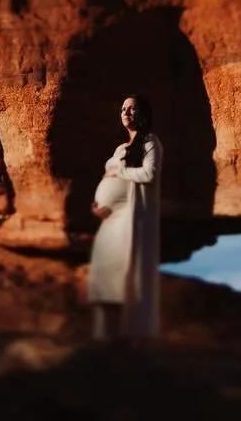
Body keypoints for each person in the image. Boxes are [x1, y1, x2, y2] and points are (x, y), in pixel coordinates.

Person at [87, 94, 163, 342]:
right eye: (123, 109)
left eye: (132, 108)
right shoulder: (120, 149)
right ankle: (104, 339)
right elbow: (108, 179)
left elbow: (149, 174)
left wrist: (118, 171)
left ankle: (130, 338)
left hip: (131, 219)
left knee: (128, 277)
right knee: (104, 276)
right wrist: (98, 203)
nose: (126, 113)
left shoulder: (151, 142)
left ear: (143, 114)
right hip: (110, 221)